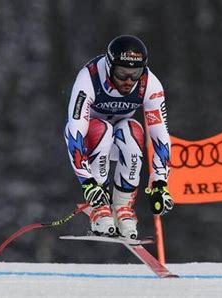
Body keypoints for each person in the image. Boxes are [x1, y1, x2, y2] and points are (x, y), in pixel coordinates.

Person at [64, 35, 174, 240]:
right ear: (110, 66)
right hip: (89, 141)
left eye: (135, 73)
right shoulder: (89, 77)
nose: (129, 81)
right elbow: (75, 131)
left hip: (119, 137)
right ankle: (99, 207)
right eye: (122, 73)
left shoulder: (150, 84)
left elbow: (160, 136)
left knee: (133, 129)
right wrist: (87, 182)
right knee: (102, 129)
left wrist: (160, 183)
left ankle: (123, 207)